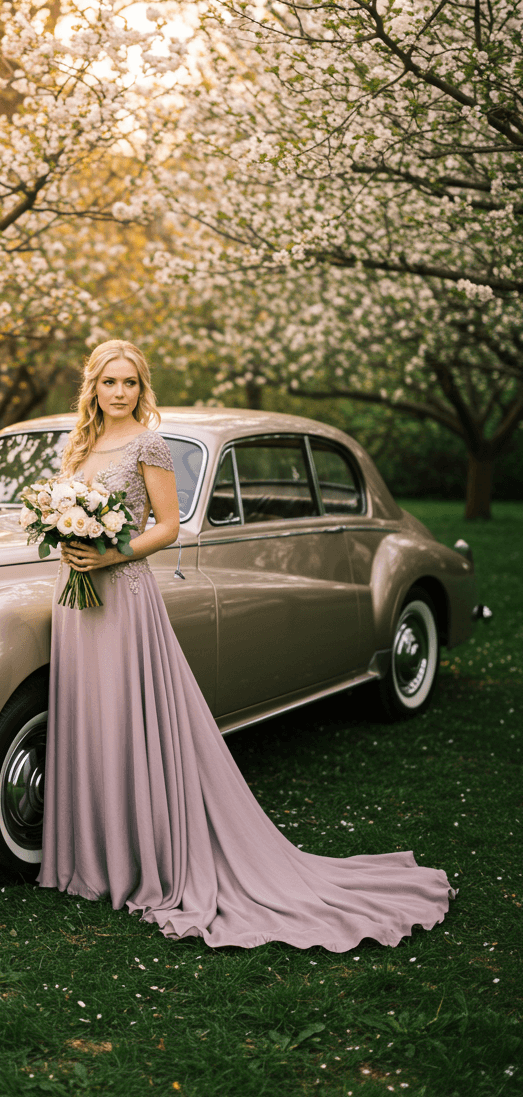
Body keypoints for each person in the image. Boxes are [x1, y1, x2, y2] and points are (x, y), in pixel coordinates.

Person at [37, 339, 454, 951]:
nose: (119, 393)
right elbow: (64, 508)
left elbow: (168, 527)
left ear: (142, 388)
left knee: (126, 714)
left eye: (129, 382)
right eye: (108, 382)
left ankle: (139, 859)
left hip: (122, 591)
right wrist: (66, 532)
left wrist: (109, 553)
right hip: (75, 596)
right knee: (87, 714)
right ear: (92, 387)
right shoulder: (79, 444)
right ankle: (92, 855)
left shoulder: (149, 443)